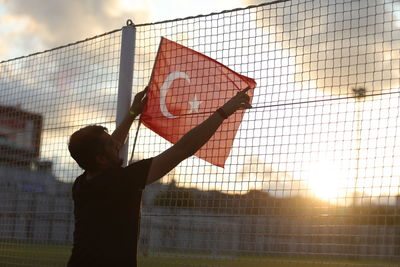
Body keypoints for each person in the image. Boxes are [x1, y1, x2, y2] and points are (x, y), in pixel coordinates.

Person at [67, 85, 252, 267]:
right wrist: (224, 112)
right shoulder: (122, 181)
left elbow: (111, 144)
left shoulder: (82, 184)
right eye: (110, 145)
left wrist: (133, 113)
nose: (117, 145)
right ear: (100, 159)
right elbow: (184, 148)